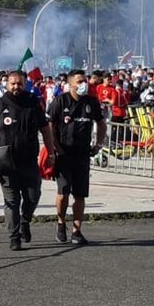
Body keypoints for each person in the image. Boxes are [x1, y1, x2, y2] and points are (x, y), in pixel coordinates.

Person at [0, 69, 54, 251]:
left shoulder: (32, 103)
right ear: (7, 84)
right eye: (12, 83)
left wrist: (51, 153)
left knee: (33, 196)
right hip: (6, 162)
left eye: (19, 83)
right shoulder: (0, 105)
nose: (16, 86)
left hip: (29, 161)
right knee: (12, 202)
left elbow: (46, 130)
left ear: (25, 84)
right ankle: (14, 237)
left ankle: (25, 221)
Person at [46, 69, 105, 246]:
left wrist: (98, 145)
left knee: (80, 195)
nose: (83, 85)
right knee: (63, 192)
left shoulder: (91, 102)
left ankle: (77, 230)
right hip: (64, 155)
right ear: (70, 83)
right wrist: (55, 148)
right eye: (79, 82)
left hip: (82, 155)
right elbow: (49, 127)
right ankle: (61, 223)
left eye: (84, 81)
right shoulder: (60, 101)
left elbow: (101, 124)